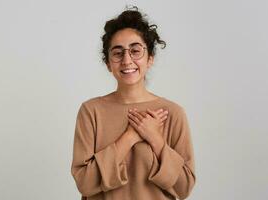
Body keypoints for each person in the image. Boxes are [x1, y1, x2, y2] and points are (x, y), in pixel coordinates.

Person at [71, 6, 196, 200]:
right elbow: (85, 184)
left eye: (135, 51)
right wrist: (131, 136)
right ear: (108, 63)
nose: (127, 60)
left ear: (150, 59)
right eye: (118, 53)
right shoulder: (91, 111)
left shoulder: (173, 113)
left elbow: (184, 188)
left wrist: (155, 139)